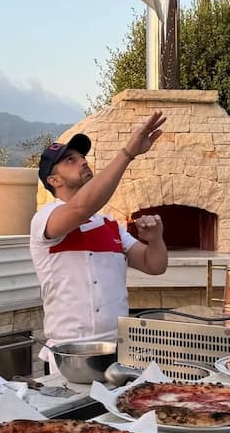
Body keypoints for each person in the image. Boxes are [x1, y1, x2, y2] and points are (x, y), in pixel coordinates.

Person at [29, 111, 168, 362]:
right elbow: (80, 209)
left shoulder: (110, 226)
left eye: (82, 157)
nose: (83, 161)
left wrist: (156, 238)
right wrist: (128, 153)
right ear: (53, 180)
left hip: (117, 349)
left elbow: (154, 265)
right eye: (70, 160)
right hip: (69, 353)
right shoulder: (45, 219)